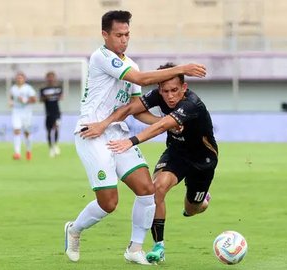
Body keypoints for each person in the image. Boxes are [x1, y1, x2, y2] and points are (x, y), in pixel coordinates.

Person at [64, 10, 206, 265]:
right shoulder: (101, 57)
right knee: (109, 203)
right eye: (119, 35)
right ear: (105, 34)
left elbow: (135, 110)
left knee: (147, 190)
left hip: (117, 132)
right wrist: (182, 68)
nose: (124, 40)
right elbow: (140, 79)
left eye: (127, 34)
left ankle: (134, 249)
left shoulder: (132, 64)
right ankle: (74, 229)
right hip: (92, 132)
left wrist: (165, 124)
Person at [80, 62, 218, 264]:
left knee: (192, 210)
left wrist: (131, 141)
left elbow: (162, 126)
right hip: (176, 153)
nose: (170, 96)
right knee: (157, 189)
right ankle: (158, 246)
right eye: (165, 91)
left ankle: (202, 199)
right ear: (159, 89)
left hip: (203, 160)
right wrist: (103, 124)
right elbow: (130, 109)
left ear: (184, 88)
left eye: (174, 90)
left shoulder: (192, 104)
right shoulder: (158, 95)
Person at [8, 72, 37, 160]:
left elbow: (34, 100)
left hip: (27, 113)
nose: (19, 79)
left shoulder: (28, 88)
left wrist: (25, 100)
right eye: (17, 78)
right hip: (16, 112)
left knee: (27, 133)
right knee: (16, 130)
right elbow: (11, 97)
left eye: (21, 78)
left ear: (24, 79)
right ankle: (17, 153)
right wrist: (10, 102)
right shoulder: (13, 88)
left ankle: (28, 150)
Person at [40, 71, 63, 157]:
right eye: (49, 77)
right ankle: (50, 148)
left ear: (54, 78)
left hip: (57, 112)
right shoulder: (43, 89)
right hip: (48, 113)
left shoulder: (58, 87)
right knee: (49, 131)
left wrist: (53, 96)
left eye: (52, 77)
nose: (51, 79)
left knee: (56, 127)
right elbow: (41, 100)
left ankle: (56, 145)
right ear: (46, 78)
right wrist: (46, 97)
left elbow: (61, 97)